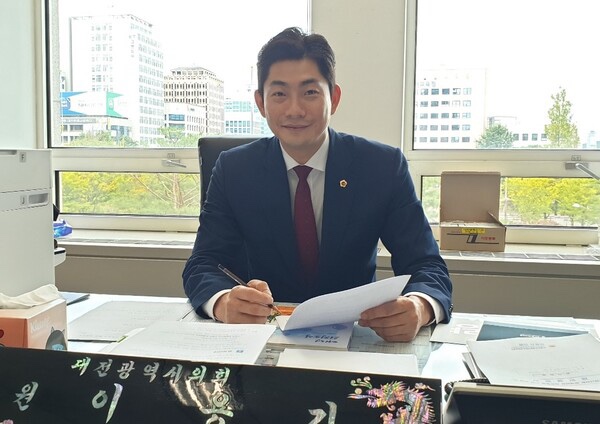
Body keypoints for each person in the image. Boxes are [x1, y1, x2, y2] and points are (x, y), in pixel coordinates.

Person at [183, 27, 452, 342]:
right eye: (279, 94)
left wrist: (420, 306)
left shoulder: (381, 166)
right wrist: (223, 302)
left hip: (356, 337)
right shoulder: (234, 170)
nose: (295, 110)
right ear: (260, 103)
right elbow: (204, 264)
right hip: (261, 337)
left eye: (310, 92)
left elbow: (426, 264)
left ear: (333, 98)